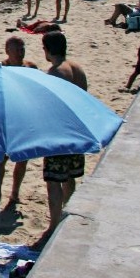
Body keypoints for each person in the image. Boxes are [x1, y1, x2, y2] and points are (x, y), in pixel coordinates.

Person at [42, 31, 88, 227]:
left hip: (60, 134)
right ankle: (66, 217)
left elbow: (51, 106)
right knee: (69, 178)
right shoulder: (78, 69)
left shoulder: (55, 72)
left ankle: (54, 225)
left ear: (48, 50)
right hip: (78, 132)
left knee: (54, 182)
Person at [0, 36, 39, 204]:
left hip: (24, 118)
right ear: (8, 51)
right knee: (0, 159)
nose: (21, 53)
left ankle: (15, 193)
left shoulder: (31, 67)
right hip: (6, 119)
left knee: (22, 158)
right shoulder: (0, 68)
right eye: (17, 50)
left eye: (23, 49)